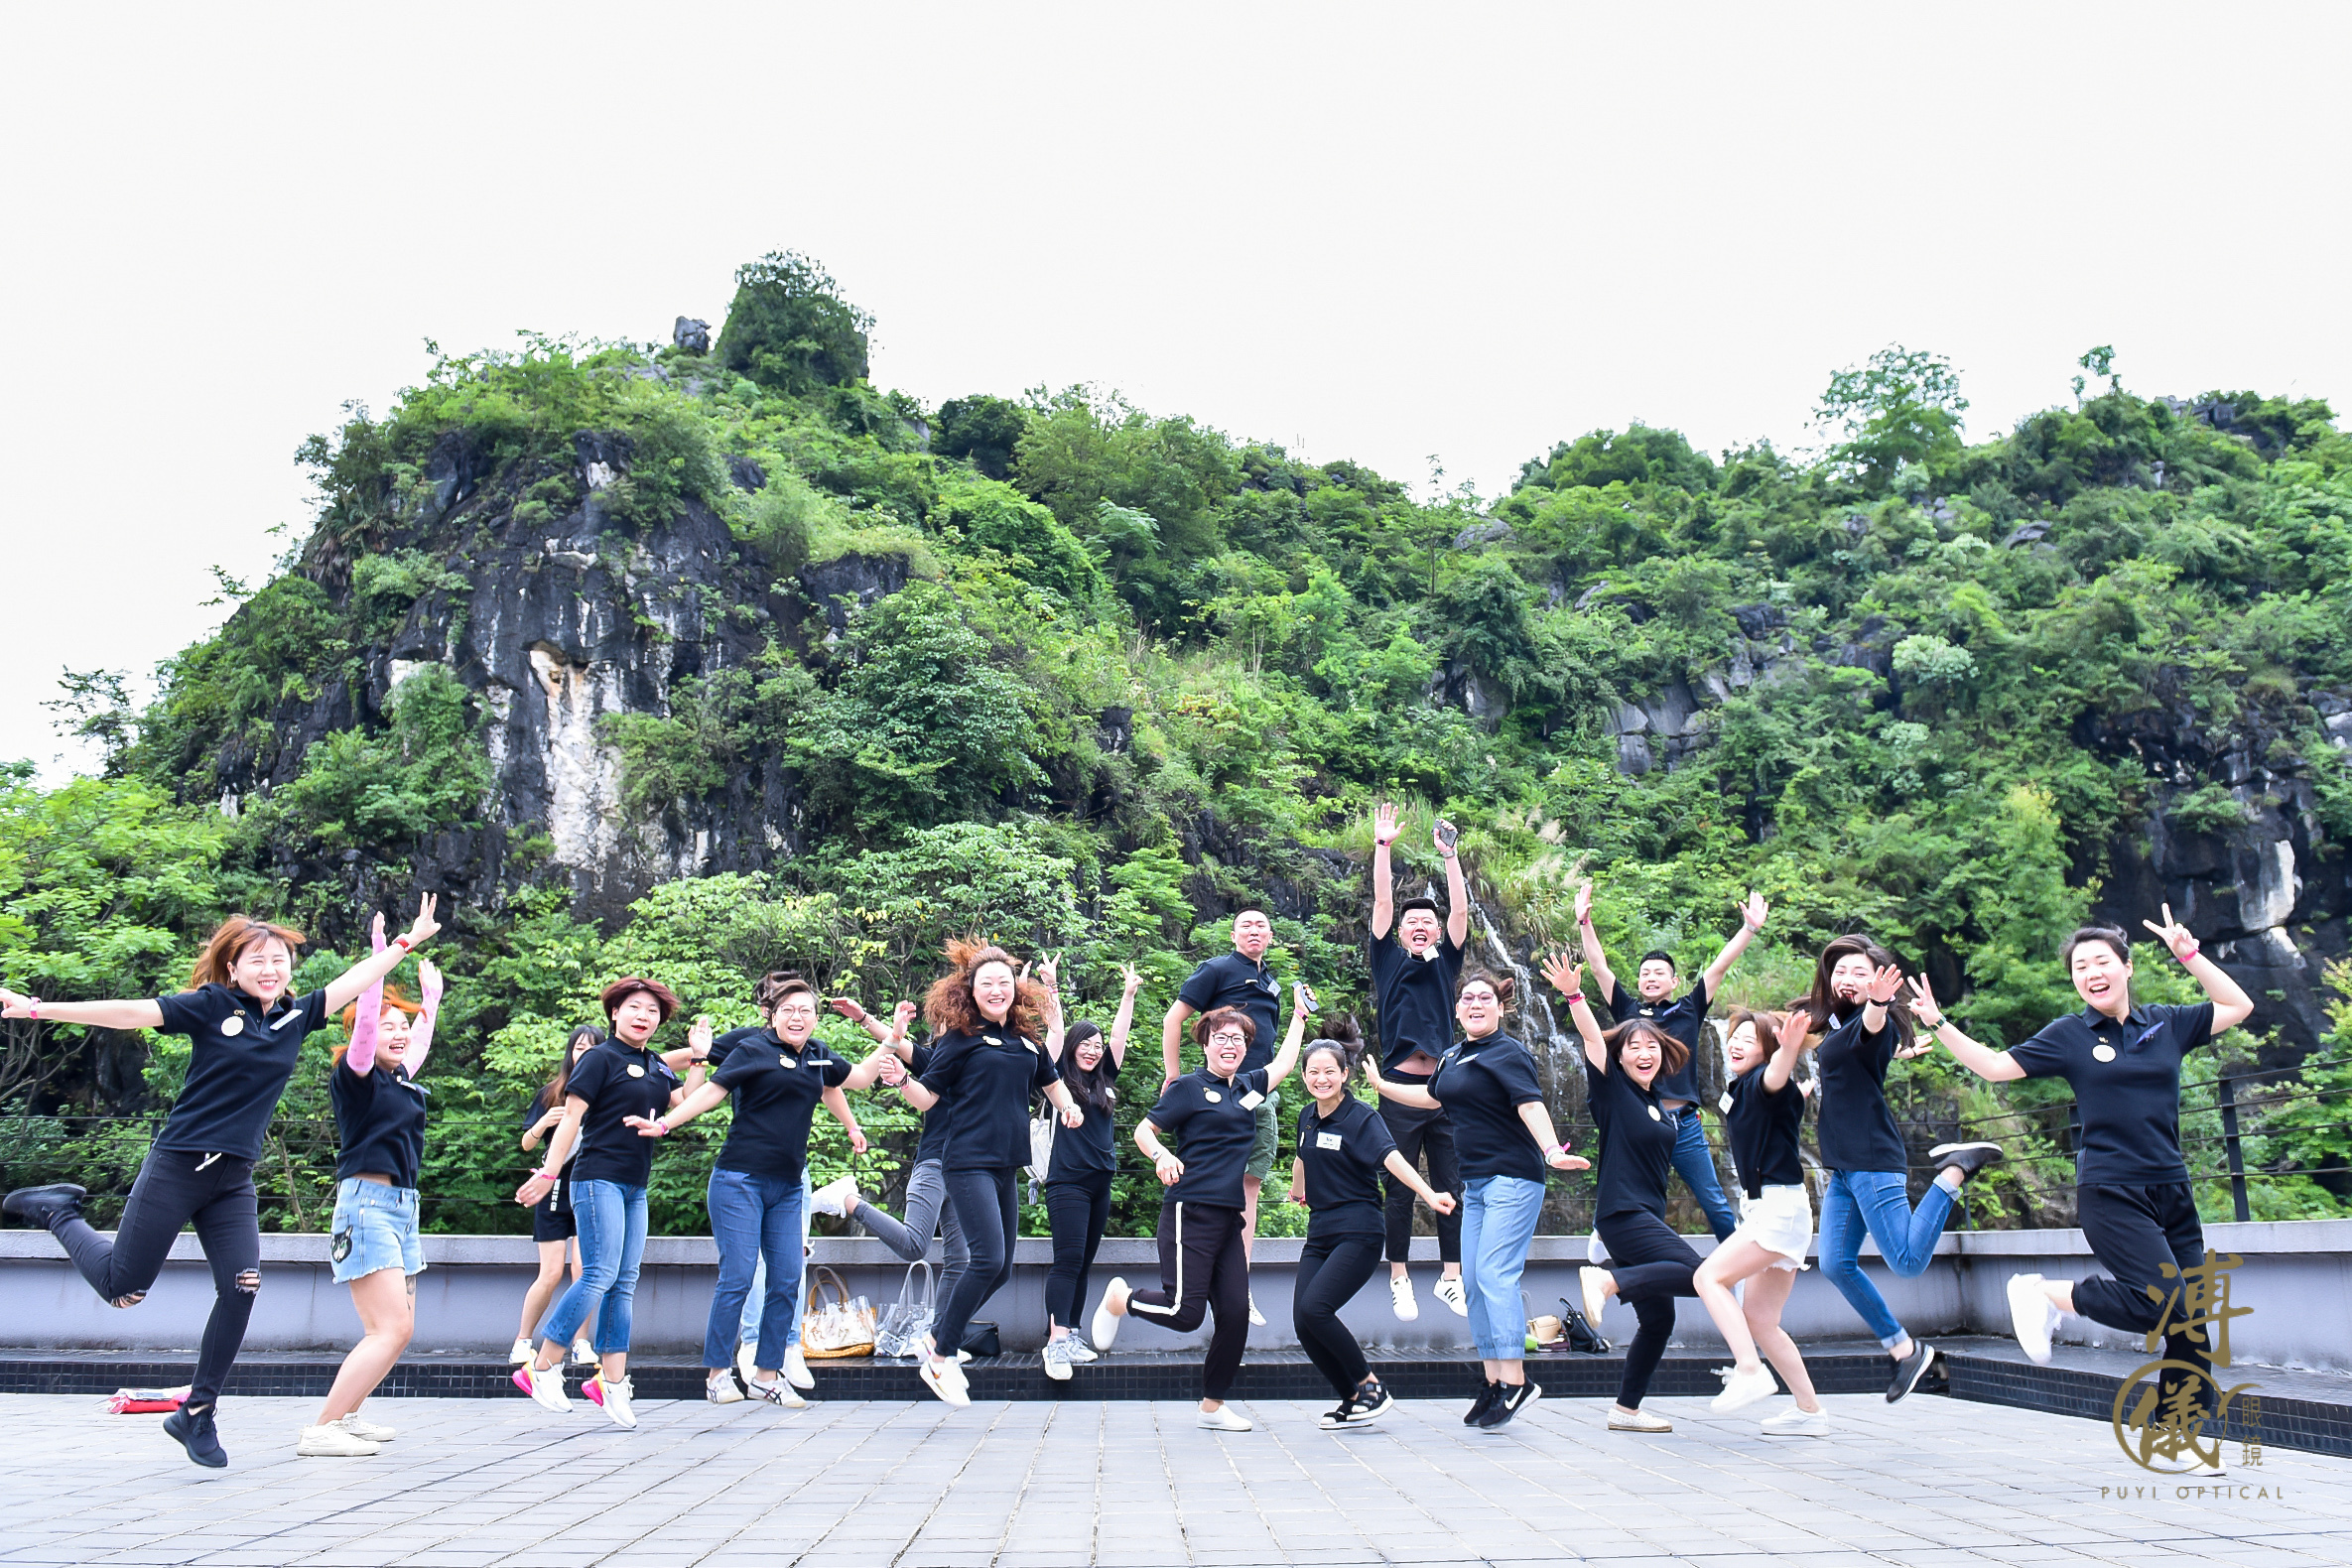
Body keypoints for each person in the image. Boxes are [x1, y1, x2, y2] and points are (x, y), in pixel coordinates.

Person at [1, 897, 443, 1470]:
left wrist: (407, 941)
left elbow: (357, 981)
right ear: (232, 968)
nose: (270, 969)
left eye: (279, 959)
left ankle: (198, 1412)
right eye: (256, 960)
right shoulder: (212, 1006)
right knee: (123, 1288)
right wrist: (37, 1009)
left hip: (233, 1177)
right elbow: (131, 1012)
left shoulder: (295, 1016)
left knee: (242, 1288)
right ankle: (58, 1211)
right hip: (179, 1165)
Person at [1910, 908, 2254, 1476]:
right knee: (2164, 1303)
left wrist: (2190, 956)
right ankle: (2050, 1294)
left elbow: (2238, 1006)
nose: (2092, 973)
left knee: (2192, 1319)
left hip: (2172, 1188)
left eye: (2101, 962)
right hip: (2112, 1190)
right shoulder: (2071, 1035)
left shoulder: (2166, 1023)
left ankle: (2176, 1435)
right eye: (2080, 967)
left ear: (2127, 967)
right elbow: (1995, 1067)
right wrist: (1938, 1022)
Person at [630, 971, 892, 1409]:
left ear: (815, 1018)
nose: (797, 1017)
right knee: (738, 1277)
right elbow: (712, 1093)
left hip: (788, 1187)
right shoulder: (752, 1048)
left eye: (805, 1010)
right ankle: (717, 1374)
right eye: (788, 1010)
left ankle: (767, 1376)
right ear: (772, 1016)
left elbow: (861, 1078)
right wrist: (665, 1124)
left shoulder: (818, 1056)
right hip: (740, 1181)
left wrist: (893, 1037)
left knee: (787, 1278)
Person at [1365, 969, 1585, 1431]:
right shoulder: (1452, 1056)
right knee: (1471, 1285)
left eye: (1485, 998)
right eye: (1467, 998)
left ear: (1500, 1008)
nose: (1475, 1004)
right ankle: (1493, 1381)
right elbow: (1432, 1097)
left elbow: (1530, 1104)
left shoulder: (1508, 1053)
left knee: (1494, 1275)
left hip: (1513, 1179)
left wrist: (1551, 1151)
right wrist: (1382, 1087)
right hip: (1477, 1186)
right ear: (1457, 1009)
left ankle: (1517, 1381)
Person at [878, 942, 1086, 1406]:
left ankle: (937, 1337)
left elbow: (1052, 1082)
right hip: (966, 1161)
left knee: (1002, 1269)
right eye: (986, 983)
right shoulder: (960, 1040)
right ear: (970, 991)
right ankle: (940, 1354)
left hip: (1005, 1165)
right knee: (987, 1259)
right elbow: (929, 1098)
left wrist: (1069, 1108)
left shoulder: (1026, 1042)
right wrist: (902, 1080)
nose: (996, 990)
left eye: (1003, 982)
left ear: (1015, 989)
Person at [1799, 935, 2004, 1402]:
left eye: (1859, 972)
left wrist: (1878, 1004)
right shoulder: (1840, 1023)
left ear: (1879, 981)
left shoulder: (1875, 1018)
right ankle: (1905, 1350)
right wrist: (1898, 1050)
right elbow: (1859, 1054)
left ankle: (1955, 1170)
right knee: (1835, 1264)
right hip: (1844, 1168)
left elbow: (1873, 1029)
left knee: (1907, 1263)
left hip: (1871, 1161)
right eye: (1840, 970)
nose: (1847, 978)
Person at [1093, 990, 1309, 1430]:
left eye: (1238, 1039)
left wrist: (1300, 1017)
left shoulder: (1248, 1088)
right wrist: (1162, 1156)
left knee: (1235, 1313)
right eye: (1221, 1038)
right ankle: (1121, 1299)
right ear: (1206, 1044)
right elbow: (1143, 1131)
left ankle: (1212, 1405)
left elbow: (1284, 1065)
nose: (1230, 1045)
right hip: (1188, 1212)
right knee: (1184, 1314)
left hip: (1229, 1218)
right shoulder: (1188, 1089)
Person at [510, 977, 711, 1429]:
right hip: (596, 1179)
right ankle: (542, 1365)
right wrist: (548, 1173)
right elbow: (571, 1119)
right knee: (599, 1273)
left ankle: (612, 1383)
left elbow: (685, 1100)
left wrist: (699, 1057)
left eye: (652, 1011)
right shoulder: (599, 1058)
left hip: (634, 1186)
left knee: (624, 1281)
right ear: (615, 1013)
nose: (644, 1016)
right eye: (634, 1007)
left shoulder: (655, 1064)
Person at [1547, 955, 1710, 1433]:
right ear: (1619, 1058)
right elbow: (1592, 1038)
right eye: (1634, 1046)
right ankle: (1609, 1281)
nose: (1644, 1052)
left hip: (1644, 1217)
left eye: (1652, 1046)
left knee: (1658, 1320)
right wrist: (1575, 995)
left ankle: (1625, 1410)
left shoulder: (1657, 1102)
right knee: (1702, 1275)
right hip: (1623, 1214)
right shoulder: (1613, 1092)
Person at [302, 917, 446, 1458]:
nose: (398, 1033)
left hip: (403, 1209)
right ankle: (323, 1428)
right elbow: (365, 1025)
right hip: (367, 1208)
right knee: (390, 1328)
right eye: (388, 1026)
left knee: (396, 1330)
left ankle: (347, 1415)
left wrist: (430, 1002)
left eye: (402, 1025)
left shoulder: (401, 1079)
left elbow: (419, 1041)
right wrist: (383, 957)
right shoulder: (356, 1074)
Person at [1574, 880, 1769, 1242]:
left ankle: (1737, 1262)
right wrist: (1585, 923)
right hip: (1637, 1119)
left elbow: (1719, 967)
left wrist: (1749, 928)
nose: (1651, 978)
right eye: (1645, 973)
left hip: (1684, 1124)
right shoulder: (1628, 1011)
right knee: (1633, 1194)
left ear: (1674, 981)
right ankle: (1612, 1240)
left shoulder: (1690, 1009)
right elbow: (1599, 968)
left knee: (1713, 1201)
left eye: (1659, 972)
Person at [1287, 1015, 1457, 1429]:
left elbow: (1393, 1159)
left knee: (1316, 1309)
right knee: (1303, 1322)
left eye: (1330, 1072)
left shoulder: (1361, 1117)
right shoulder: (1307, 1116)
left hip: (1358, 1231)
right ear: (1304, 1077)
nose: (1321, 1079)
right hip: (1320, 1232)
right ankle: (1352, 1397)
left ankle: (1370, 1385)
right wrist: (1296, 1189)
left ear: (1345, 1075)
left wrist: (1428, 1193)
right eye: (1314, 1072)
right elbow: (1302, 1155)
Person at [811, 994, 971, 1370]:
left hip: (966, 1172)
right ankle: (849, 1200)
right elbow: (899, 1043)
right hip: (934, 1166)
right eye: (949, 1023)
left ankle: (940, 1342)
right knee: (915, 1245)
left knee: (961, 1260)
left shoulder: (980, 1061)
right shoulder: (937, 1058)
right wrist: (863, 1017)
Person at [1691, 1006, 1829, 1435]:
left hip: (1777, 1210)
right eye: (1734, 1036)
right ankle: (1810, 1412)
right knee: (1761, 1320)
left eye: (1748, 1040)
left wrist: (1788, 1049)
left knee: (1708, 1278)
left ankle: (1749, 1369)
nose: (1735, 1043)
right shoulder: (1747, 1087)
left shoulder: (1766, 1081)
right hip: (1773, 1208)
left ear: (1768, 1050)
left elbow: (1776, 1075)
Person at [1366, 803, 1469, 1321]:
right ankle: (1400, 1278)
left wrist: (1450, 856)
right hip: (1400, 1089)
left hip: (1446, 1089)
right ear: (1402, 932)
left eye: (1428, 921)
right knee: (1400, 1187)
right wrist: (1383, 846)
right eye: (1413, 922)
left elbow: (1461, 915)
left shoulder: (1446, 961)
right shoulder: (1387, 959)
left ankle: (1451, 1278)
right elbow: (1384, 900)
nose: (1421, 925)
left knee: (1452, 1183)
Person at [1162, 909, 1283, 1323]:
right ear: (1233, 935)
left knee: (1250, 1187)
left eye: (1261, 925)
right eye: (1245, 925)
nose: (1254, 931)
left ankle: (1238, 1287)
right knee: (1213, 1182)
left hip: (1261, 1091)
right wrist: (1174, 1074)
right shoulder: (1216, 969)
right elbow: (1174, 1018)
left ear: (1271, 935)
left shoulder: (1270, 982)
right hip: (1221, 1093)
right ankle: (1206, 1283)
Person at [1040, 963, 1143, 1380]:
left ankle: (1071, 1333)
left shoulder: (1105, 1080)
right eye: (1085, 1043)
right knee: (1067, 1261)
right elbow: (1055, 1031)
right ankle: (1055, 1342)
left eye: (1096, 1045)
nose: (1093, 1050)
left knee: (1083, 1262)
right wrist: (1051, 988)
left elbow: (1119, 1036)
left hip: (1101, 1182)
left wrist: (1128, 994)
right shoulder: (1057, 1077)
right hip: (1067, 1182)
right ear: (1072, 1048)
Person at [513, 1025, 600, 1369]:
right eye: (579, 1048)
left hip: (590, 1188)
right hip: (554, 1190)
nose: (584, 1054)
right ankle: (523, 1341)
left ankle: (580, 1343)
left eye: (592, 1049)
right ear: (570, 1052)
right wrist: (543, 1122)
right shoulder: (552, 1092)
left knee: (584, 1270)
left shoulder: (607, 1093)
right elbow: (526, 1144)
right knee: (549, 1273)